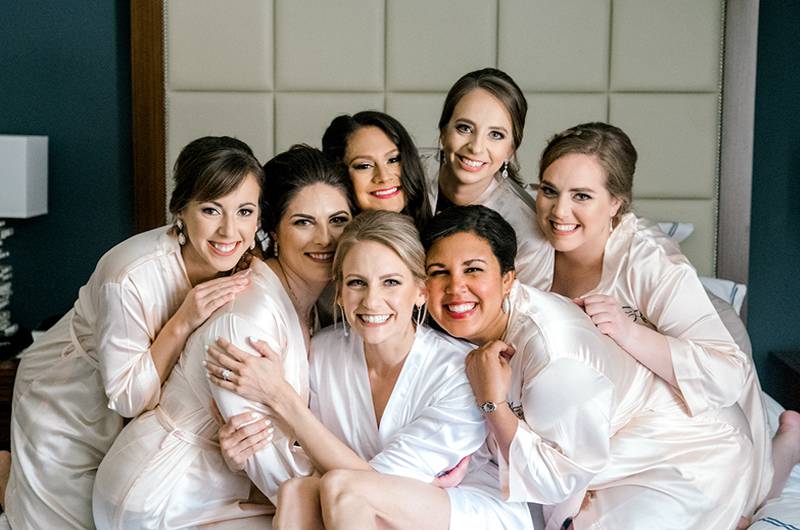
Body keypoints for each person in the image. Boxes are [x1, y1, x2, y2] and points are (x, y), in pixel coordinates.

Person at [423, 205, 753, 529]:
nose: (455, 288)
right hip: (600, 450)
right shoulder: (451, 333)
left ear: (508, 278)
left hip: (684, 451)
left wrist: (491, 403)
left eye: (473, 270)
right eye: (439, 272)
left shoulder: (554, 353)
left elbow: (556, 481)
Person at [532, 122, 800, 520]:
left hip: (683, 427)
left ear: (616, 204)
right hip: (600, 417)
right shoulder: (529, 246)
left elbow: (726, 370)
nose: (559, 211)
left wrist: (629, 332)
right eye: (549, 190)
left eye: (582, 196)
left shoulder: (651, 261)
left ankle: (783, 447)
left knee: (745, 498)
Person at [206, 210, 532, 530]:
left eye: (391, 282)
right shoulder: (322, 354)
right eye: (357, 283)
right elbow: (300, 455)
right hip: (354, 503)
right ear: (340, 291)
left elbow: (374, 484)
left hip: (466, 510)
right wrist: (239, 454)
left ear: (420, 291)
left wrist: (281, 397)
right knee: (296, 492)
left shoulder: (458, 371)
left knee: (342, 489)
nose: (372, 301)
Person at [2, 136, 260, 529]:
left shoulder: (246, 261)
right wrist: (183, 320)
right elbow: (128, 398)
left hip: (135, 421)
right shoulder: (130, 275)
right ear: (180, 211)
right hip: (65, 397)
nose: (230, 230)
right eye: (211, 209)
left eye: (245, 211)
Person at [91, 145, 355, 528]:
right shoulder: (246, 317)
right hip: (161, 491)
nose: (326, 239)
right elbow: (268, 463)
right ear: (273, 229)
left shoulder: (317, 305)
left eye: (338, 220)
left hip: (227, 487)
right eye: (303, 222)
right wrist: (356, 502)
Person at [424, 67, 550, 286]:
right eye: (464, 128)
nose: (476, 147)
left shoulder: (528, 233)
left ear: (511, 149)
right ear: (443, 132)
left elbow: (523, 311)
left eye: (496, 135)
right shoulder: (403, 173)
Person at [322, 110, 432, 231]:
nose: (384, 176)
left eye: (393, 159)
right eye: (364, 166)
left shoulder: (437, 240)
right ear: (340, 174)